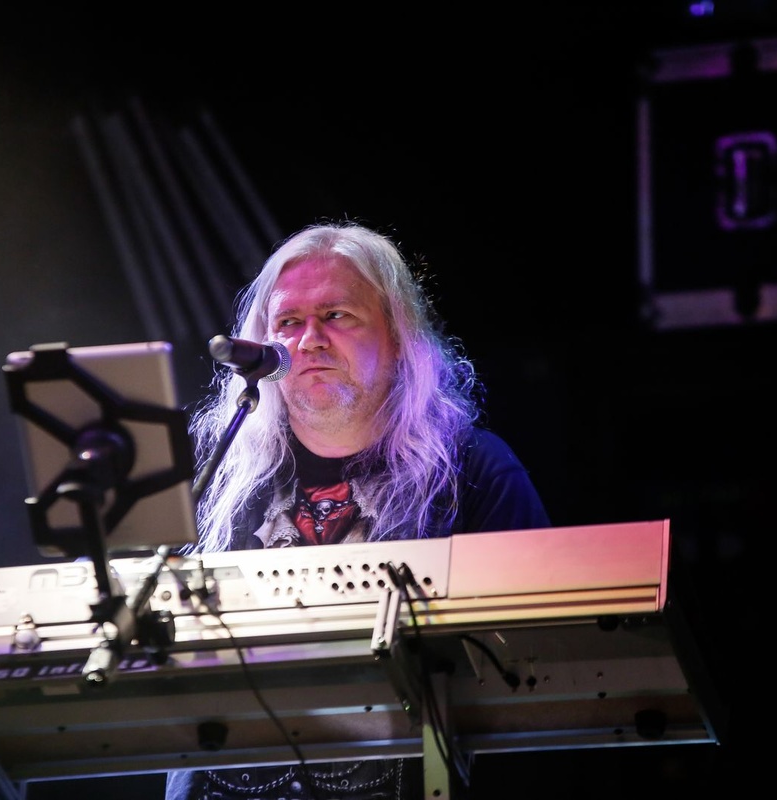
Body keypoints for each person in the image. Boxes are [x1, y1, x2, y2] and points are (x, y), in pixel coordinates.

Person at [164, 220, 551, 800]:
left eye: (336, 315)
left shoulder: (473, 470)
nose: (308, 341)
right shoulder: (213, 474)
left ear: (398, 337)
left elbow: (543, 669)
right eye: (288, 323)